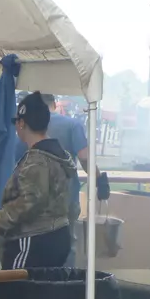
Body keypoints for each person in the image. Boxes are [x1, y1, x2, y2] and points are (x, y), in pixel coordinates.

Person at [0, 92, 77, 270]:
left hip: (34, 239)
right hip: (59, 234)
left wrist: (0, 220)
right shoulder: (57, 154)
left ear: (22, 123)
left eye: (17, 122)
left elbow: (30, 201)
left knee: (13, 291)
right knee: (43, 294)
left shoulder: (37, 159)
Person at [40, 93, 109, 265]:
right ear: (54, 104)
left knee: (36, 242)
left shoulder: (25, 126)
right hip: (65, 196)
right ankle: (65, 286)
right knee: (66, 243)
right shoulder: (71, 125)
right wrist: (99, 179)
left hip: (33, 196)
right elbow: (85, 158)